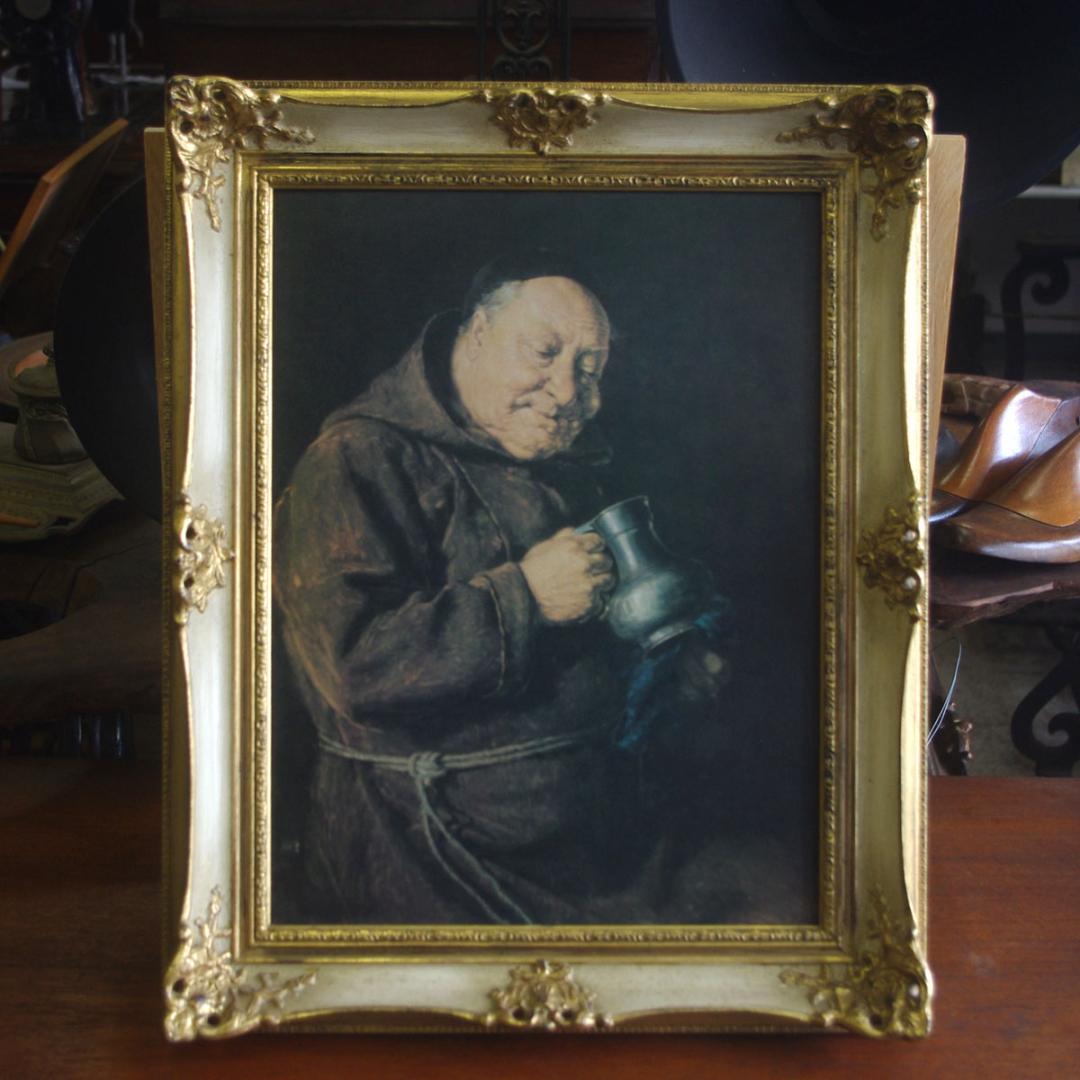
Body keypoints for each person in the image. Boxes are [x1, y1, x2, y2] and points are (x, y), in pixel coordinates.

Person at [274, 252, 727, 925]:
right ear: (477, 333)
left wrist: (664, 664)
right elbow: (352, 668)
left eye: (590, 369)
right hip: (440, 848)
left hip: (587, 831)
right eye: (544, 353)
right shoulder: (354, 460)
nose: (568, 392)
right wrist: (526, 597)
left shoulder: (552, 455)